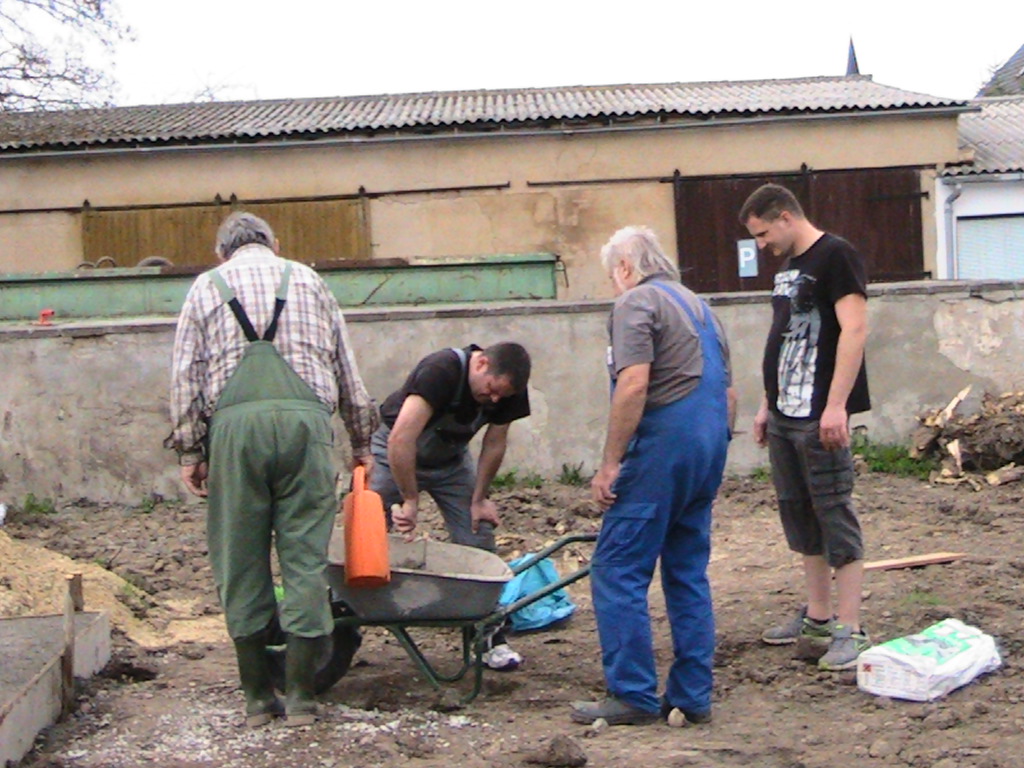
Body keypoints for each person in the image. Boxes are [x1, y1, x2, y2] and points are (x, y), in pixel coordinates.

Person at [166, 211, 379, 727]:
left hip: (235, 434)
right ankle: (303, 697)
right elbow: (346, 368)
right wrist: (361, 441)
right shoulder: (309, 281)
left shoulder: (205, 287)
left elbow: (184, 377)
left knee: (240, 561)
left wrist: (191, 452)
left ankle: (259, 699)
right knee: (305, 559)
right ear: (275, 244)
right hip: (307, 429)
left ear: (222, 252)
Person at [571, 226, 736, 727]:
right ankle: (693, 695)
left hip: (662, 447)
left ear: (624, 268)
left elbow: (634, 384)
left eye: (612, 275)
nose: (613, 285)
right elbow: (729, 395)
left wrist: (611, 463)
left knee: (617, 567)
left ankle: (632, 694)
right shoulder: (701, 309)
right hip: (708, 446)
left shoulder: (636, 302)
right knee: (686, 570)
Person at [740, 183, 872, 671]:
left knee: (834, 513)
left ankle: (850, 628)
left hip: (818, 414)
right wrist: (765, 405)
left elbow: (854, 329)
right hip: (783, 415)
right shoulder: (788, 267)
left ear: (785, 217)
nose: (761, 245)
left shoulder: (837, 256)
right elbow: (783, 341)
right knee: (798, 514)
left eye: (762, 234)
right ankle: (817, 618)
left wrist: (836, 405)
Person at [370, 342, 531, 670]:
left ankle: (487, 635)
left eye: (501, 396)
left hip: (451, 462)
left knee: (478, 534)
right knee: (365, 526)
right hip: (395, 454)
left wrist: (479, 499)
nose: (494, 400)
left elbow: (495, 443)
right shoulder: (440, 370)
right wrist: (409, 499)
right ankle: (338, 623)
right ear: (481, 363)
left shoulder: (509, 390)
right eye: (491, 390)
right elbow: (401, 439)